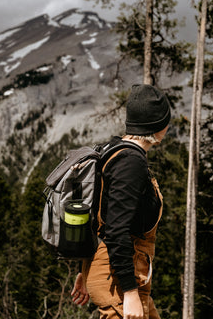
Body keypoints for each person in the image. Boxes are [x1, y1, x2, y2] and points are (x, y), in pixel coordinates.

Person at [71, 84, 171, 318]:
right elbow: (116, 230)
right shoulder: (130, 162)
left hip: (112, 271)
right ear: (157, 124)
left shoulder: (114, 150)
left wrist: (86, 270)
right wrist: (130, 293)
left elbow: (98, 216)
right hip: (118, 280)